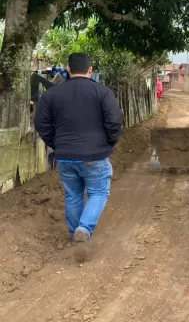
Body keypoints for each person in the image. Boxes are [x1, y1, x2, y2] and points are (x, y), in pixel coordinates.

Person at [35, 53, 123, 263]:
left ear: (68, 69)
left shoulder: (52, 94)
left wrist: (57, 144)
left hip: (65, 156)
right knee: (98, 192)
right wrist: (108, 144)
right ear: (90, 70)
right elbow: (114, 122)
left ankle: (76, 235)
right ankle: (84, 228)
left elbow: (41, 123)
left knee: (73, 195)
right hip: (95, 155)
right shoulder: (102, 92)